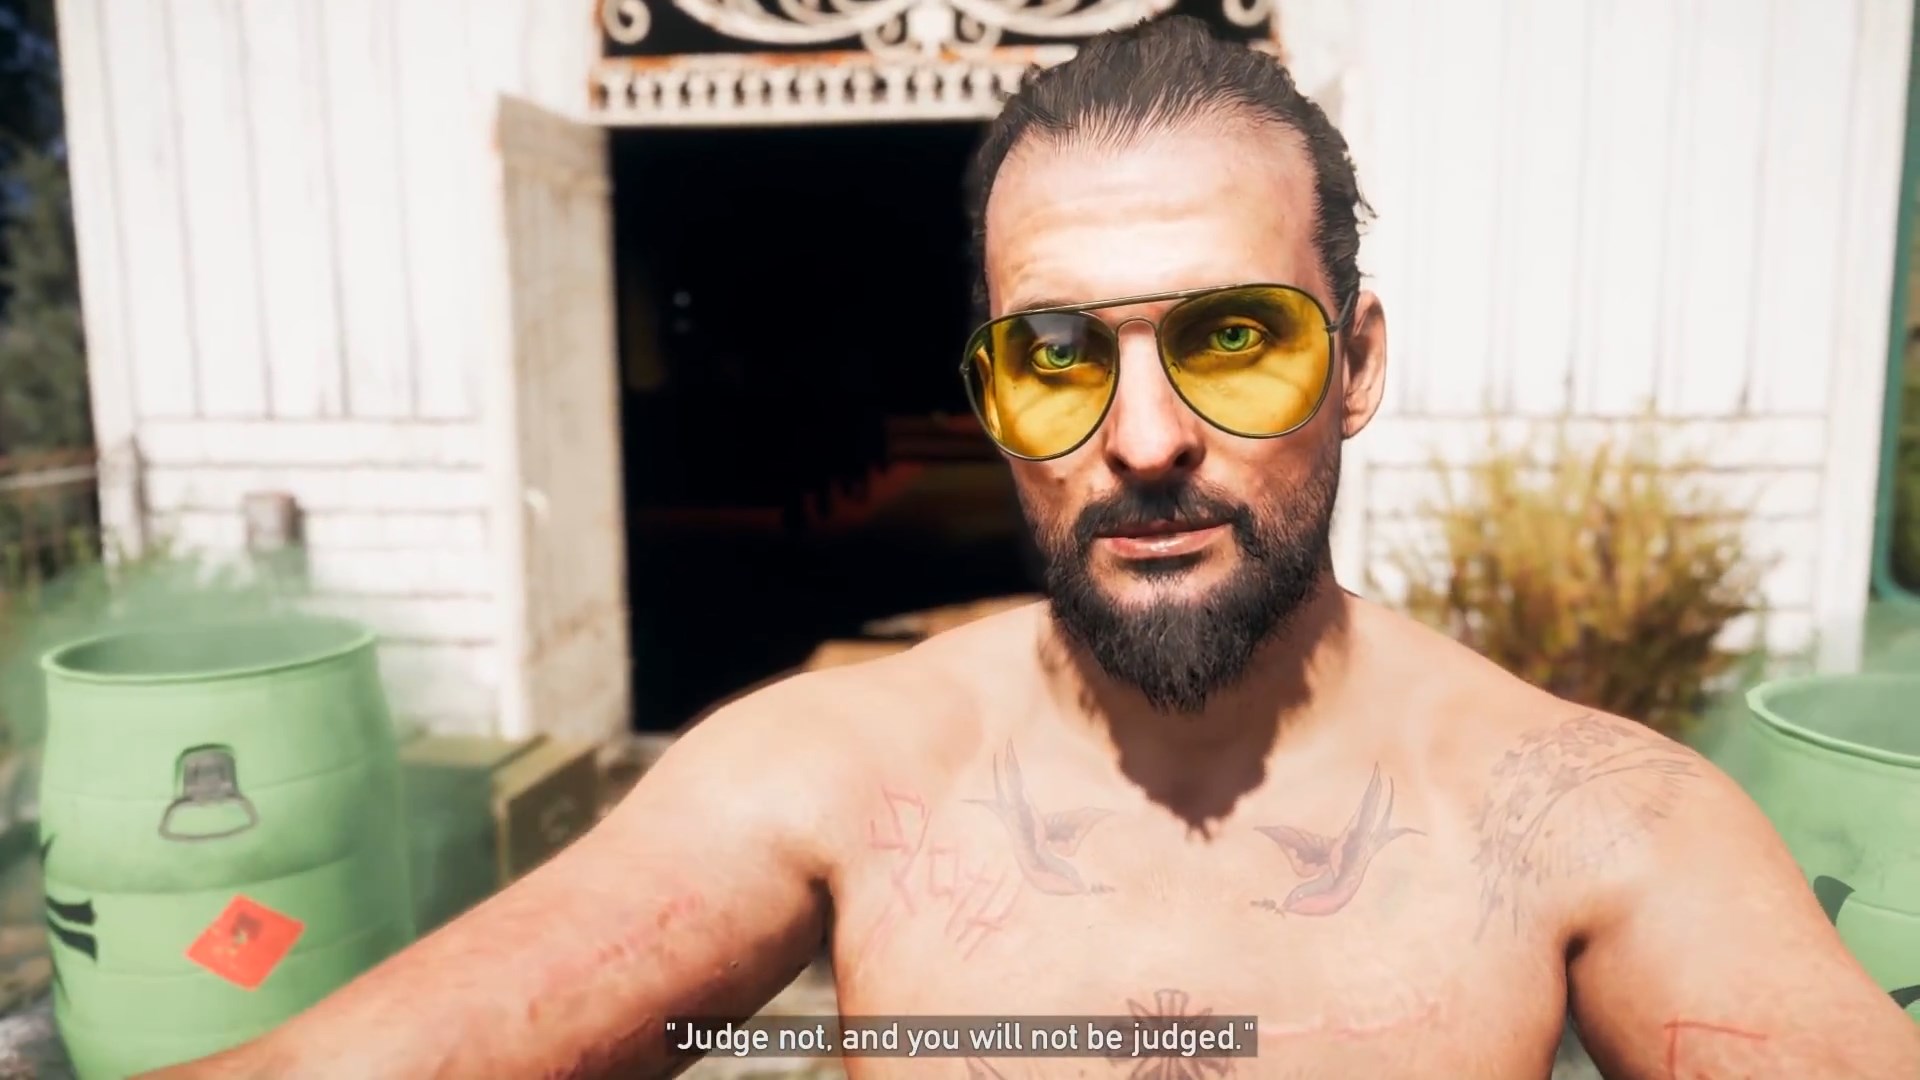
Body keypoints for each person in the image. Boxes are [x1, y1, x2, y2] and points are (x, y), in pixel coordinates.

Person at [154, 16, 1920, 1080]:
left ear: (1358, 362)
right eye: (1058, 357)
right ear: (995, 398)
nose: (1142, 440)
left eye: (1235, 339)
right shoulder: (839, 766)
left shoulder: (1588, 816)